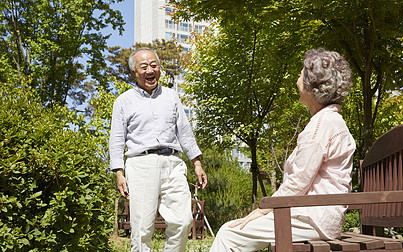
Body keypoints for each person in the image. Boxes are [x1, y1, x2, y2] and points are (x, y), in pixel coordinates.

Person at [210, 48, 355, 251]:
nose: (298, 77)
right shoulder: (329, 121)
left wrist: (262, 210)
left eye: (302, 73)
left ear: (314, 86)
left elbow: (299, 182)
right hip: (316, 215)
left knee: (229, 234)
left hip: (313, 218)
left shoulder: (322, 125)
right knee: (232, 231)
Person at [109, 47, 207, 252]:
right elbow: (117, 138)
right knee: (142, 229)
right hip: (140, 164)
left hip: (173, 163)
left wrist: (196, 162)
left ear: (159, 69)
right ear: (134, 73)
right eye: (143, 67)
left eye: (154, 65)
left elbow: (185, 131)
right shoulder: (123, 101)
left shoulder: (171, 97)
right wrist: (118, 172)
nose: (150, 70)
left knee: (183, 221)